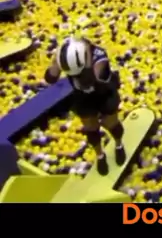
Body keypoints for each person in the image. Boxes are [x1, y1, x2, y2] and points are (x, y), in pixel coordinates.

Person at [44, 37, 125, 175]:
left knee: (111, 124)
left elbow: (90, 81)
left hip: (104, 92)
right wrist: (56, 63)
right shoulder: (66, 55)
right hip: (82, 97)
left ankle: (119, 144)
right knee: (91, 128)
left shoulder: (99, 56)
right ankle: (100, 156)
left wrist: (87, 63)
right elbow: (50, 78)